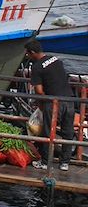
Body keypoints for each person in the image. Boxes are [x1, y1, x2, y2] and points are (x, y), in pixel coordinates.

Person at [26, 40, 75, 171]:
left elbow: (39, 91)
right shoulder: (56, 59)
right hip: (69, 100)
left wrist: (41, 106)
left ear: (32, 53)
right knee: (68, 132)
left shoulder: (37, 67)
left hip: (54, 103)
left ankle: (45, 162)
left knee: (48, 133)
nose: (28, 57)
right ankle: (65, 163)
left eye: (28, 54)